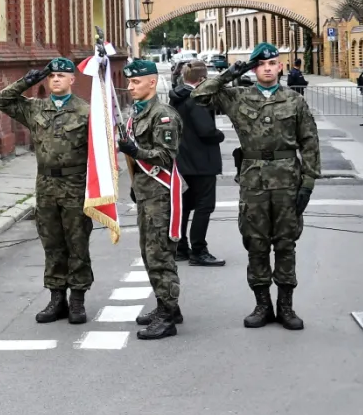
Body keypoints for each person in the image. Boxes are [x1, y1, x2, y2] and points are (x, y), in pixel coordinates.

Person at [193, 43, 319, 331]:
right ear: (253, 68)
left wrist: (308, 182)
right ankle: (262, 305)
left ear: (280, 66)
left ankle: (285, 306)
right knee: (256, 243)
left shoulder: (294, 100)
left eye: (272, 63)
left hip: (288, 181)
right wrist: (229, 73)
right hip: (253, 181)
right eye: (260, 64)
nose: (267, 68)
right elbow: (199, 95)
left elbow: (309, 141)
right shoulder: (238, 97)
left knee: (286, 243)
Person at [0, 58, 93, 325]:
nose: (55, 80)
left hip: (75, 185)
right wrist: (27, 81)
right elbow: (1, 100)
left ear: (72, 79)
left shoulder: (86, 111)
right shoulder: (35, 108)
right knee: (52, 243)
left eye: (61, 75)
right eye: (51, 76)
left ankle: (77, 299)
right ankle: (57, 298)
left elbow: (99, 155)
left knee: (77, 243)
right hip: (46, 185)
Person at [116, 59, 182, 341]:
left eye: (136, 82)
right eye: (129, 82)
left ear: (152, 82)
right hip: (145, 192)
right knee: (148, 252)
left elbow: (166, 155)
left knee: (159, 255)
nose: (130, 87)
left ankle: (167, 317)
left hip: (160, 194)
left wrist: (136, 152)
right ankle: (167, 306)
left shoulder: (163, 115)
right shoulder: (138, 113)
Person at [170, 62, 225, 266]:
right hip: (202, 162)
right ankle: (199, 250)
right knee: (204, 206)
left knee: (184, 206)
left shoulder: (176, 97)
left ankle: (180, 247)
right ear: (202, 80)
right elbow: (206, 130)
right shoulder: (196, 99)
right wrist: (219, 135)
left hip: (183, 159)